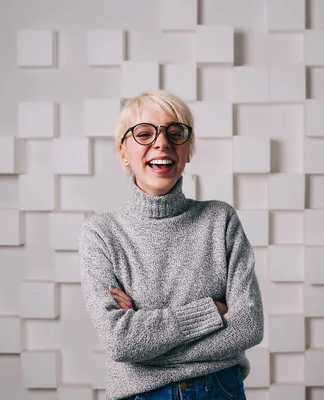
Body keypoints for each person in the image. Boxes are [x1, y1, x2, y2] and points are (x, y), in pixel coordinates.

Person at [78, 90, 264, 400]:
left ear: (188, 149)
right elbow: (119, 342)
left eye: (175, 133)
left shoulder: (220, 219)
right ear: (124, 152)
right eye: (144, 133)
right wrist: (210, 312)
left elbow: (248, 326)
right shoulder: (100, 233)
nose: (162, 143)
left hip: (217, 390)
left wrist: (145, 349)